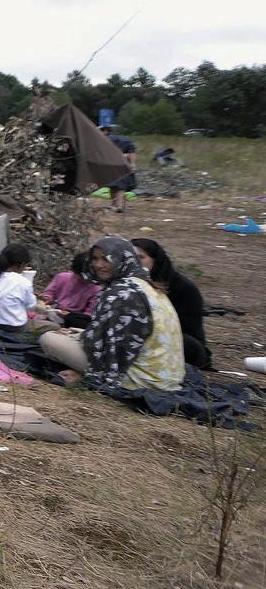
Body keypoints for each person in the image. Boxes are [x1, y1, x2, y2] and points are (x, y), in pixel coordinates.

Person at [39, 237, 184, 392]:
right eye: (95, 259)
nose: (98, 265)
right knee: (70, 335)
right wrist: (79, 334)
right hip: (167, 376)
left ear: (122, 259)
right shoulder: (144, 286)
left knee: (48, 339)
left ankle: (85, 374)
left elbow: (116, 352)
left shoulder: (120, 293)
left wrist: (91, 374)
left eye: (106, 259)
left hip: (140, 379)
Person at [132, 238, 214, 370]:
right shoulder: (127, 284)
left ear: (155, 260)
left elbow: (184, 332)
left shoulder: (182, 288)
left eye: (140, 257)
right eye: (130, 257)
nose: (134, 262)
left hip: (178, 345)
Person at [0, 244, 49, 332]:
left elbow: (6, 279)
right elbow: (30, 306)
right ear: (21, 264)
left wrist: (19, 273)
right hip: (13, 327)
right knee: (52, 326)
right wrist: (25, 277)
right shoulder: (23, 282)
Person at [40, 251, 102, 330]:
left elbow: (88, 316)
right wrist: (46, 298)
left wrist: (69, 317)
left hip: (75, 323)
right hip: (55, 313)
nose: (82, 279)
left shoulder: (96, 289)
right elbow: (50, 293)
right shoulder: (62, 277)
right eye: (79, 275)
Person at [101, 126, 138, 213]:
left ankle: (117, 205)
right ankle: (117, 205)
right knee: (120, 186)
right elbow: (132, 151)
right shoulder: (127, 139)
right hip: (124, 165)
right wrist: (133, 164)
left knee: (114, 185)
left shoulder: (106, 139)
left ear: (107, 131)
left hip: (111, 164)